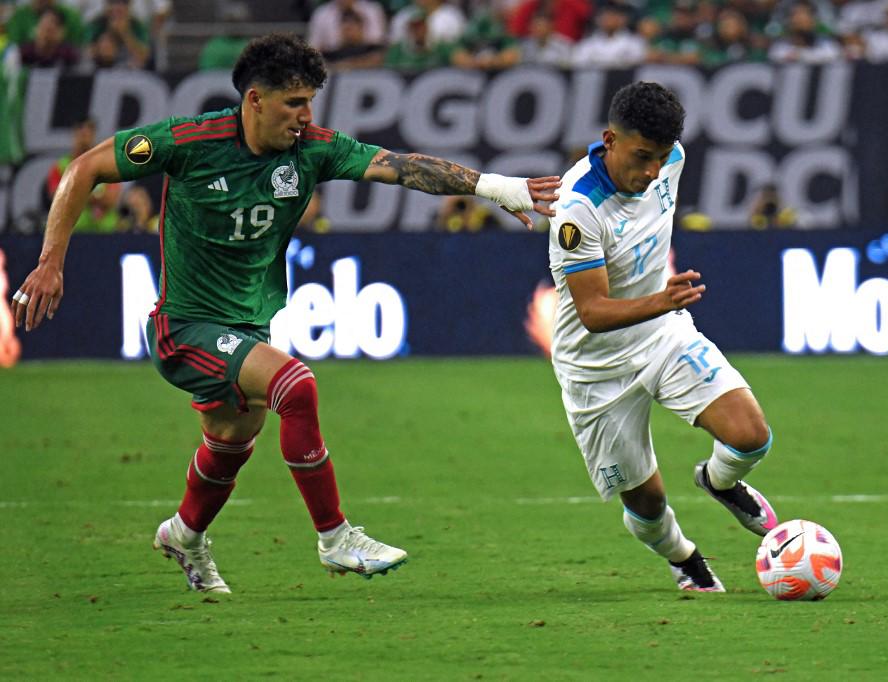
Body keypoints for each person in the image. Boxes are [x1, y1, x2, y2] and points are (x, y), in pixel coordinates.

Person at [12, 33, 560, 594]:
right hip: (185, 327)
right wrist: (51, 262)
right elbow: (84, 169)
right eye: (294, 103)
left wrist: (496, 186)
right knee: (295, 387)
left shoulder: (313, 151)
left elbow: (399, 166)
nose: (306, 116)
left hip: (248, 324)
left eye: (310, 102)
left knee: (230, 443)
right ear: (255, 99)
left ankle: (184, 533)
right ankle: (335, 537)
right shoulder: (188, 142)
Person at [547, 81, 777, 592]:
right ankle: (683, 557)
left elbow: (662, 163)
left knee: (750, 435)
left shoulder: (672, 158)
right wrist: (662, 300)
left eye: (660, 157)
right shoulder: (577, 208)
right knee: (646, 503)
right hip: (596, 369)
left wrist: (661, 309)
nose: (653, 171)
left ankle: (719, 480)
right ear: (610, 140)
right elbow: (592, 312)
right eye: (641, 157)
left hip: (661, 336)